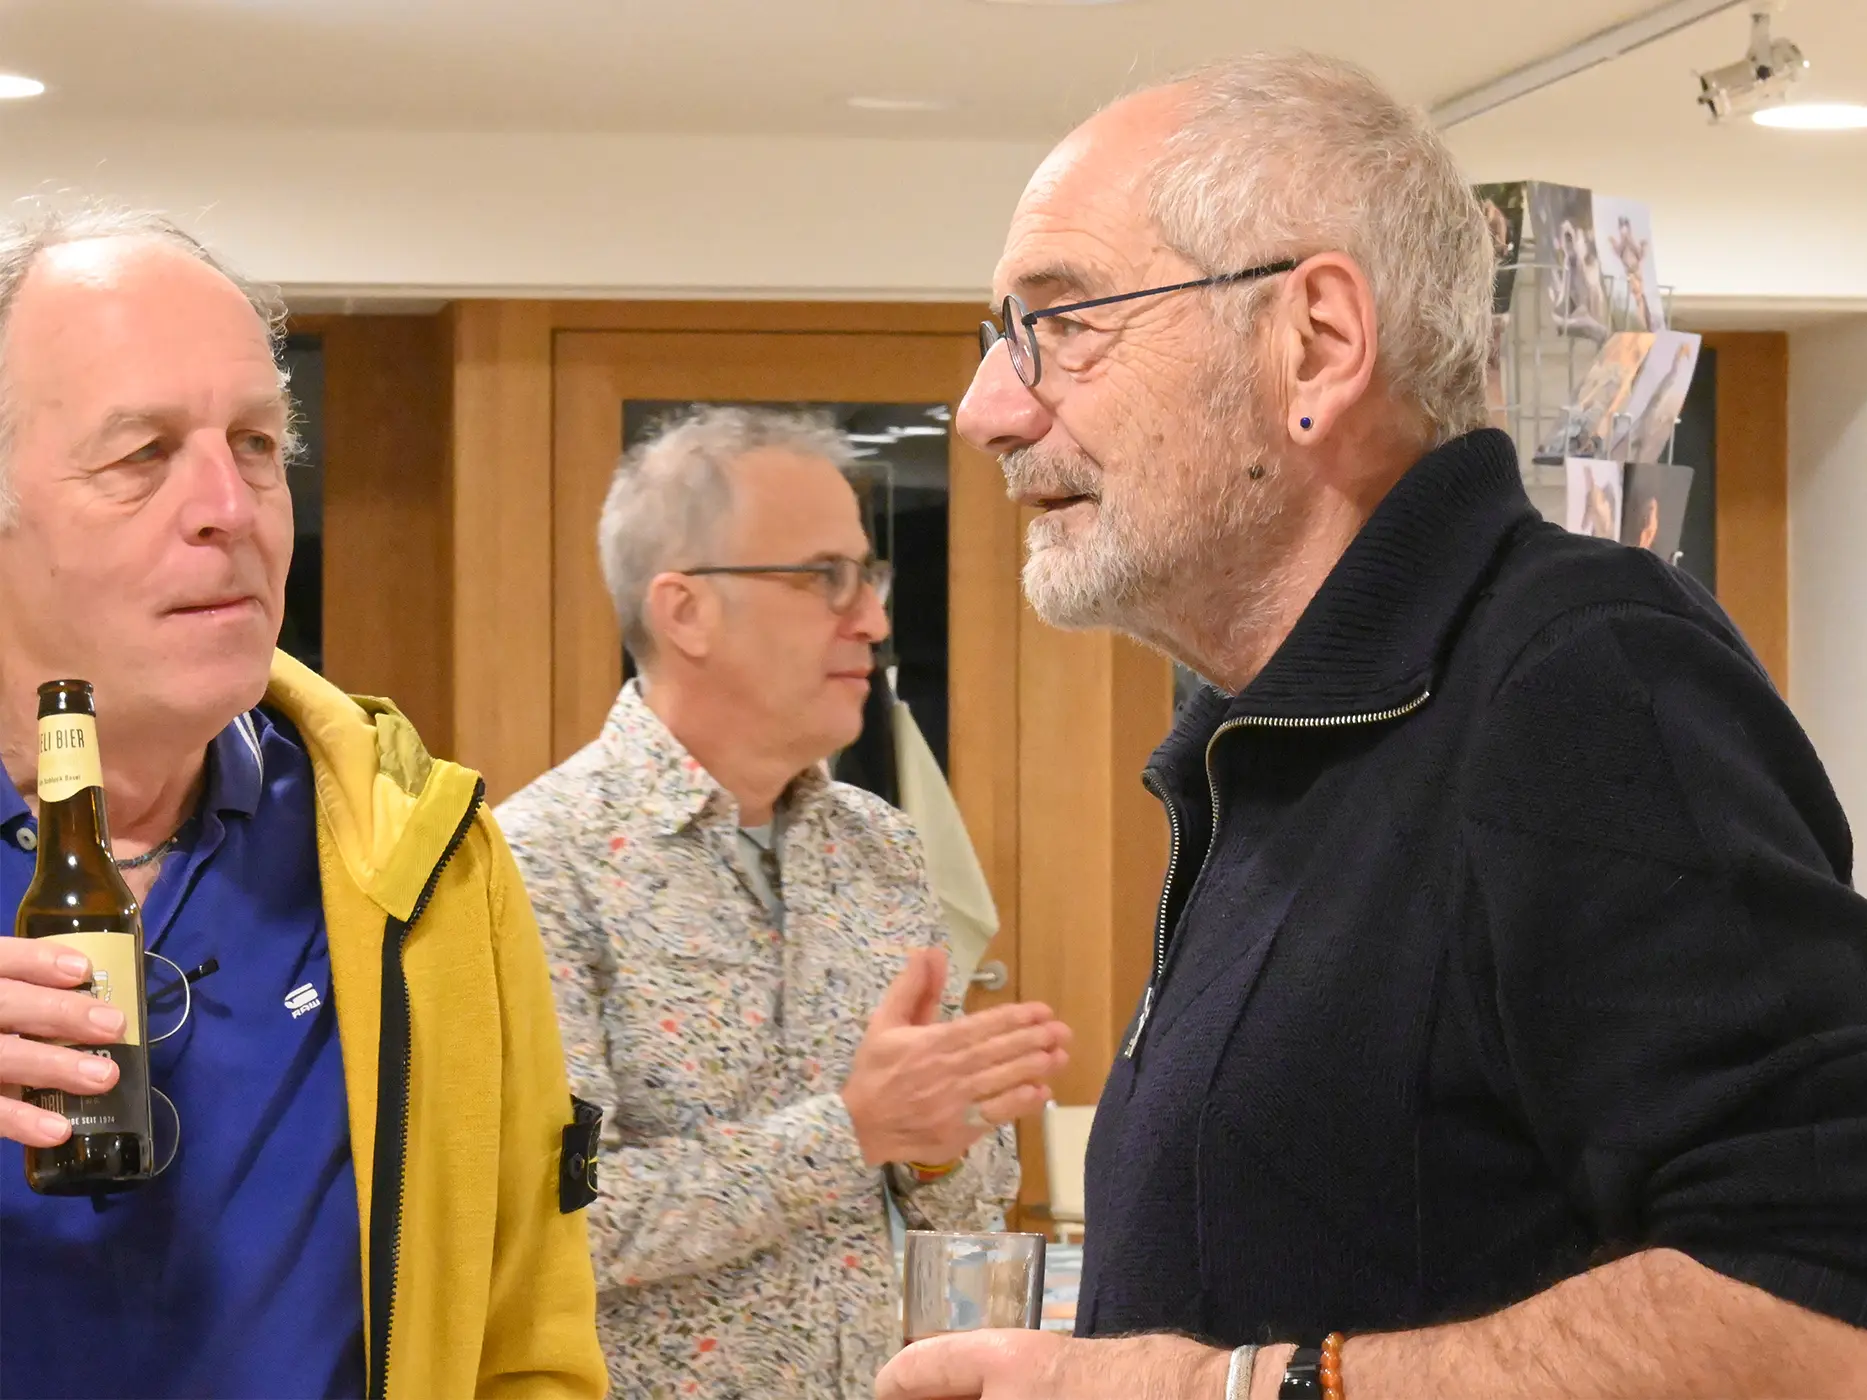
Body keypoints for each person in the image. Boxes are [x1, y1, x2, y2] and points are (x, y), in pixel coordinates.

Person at [876, 51, 1867, 1400]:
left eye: (1061, 322)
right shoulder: (1278, 744)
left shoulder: (1581, 679)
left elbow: (1819, 1302)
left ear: (1318, 344)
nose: (988, 410)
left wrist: (1216, 1390)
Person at [0, 205, 605, 1399]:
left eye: (258, 443)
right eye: (142, 455)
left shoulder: (427, 859)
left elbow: (527, 1336)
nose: (231, 506)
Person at [496, 406, 1068, 1399]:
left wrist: (941, 1146)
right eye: (822, 577)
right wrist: (853, 1129)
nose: (872, 619)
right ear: (685, 611)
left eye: (869, 574)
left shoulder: (882, 849)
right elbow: (552, 1219)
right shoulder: (537, 862)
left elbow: (960, 1206)